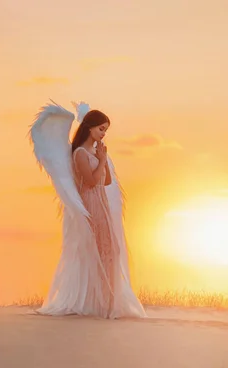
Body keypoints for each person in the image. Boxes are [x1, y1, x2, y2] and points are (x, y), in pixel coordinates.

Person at [29, 101, 146, 319]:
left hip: (102, 203)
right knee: (98, 250)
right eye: (101, 129)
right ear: (89, 127)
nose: (103, 134)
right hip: (91, 204)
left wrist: (103, 159)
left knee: (112, 250)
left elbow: (107, 181)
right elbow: (91, 182)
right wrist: (101, 160)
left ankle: (109, 300)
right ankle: (99, 302)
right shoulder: (80, 154)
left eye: (106, 130)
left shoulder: (94, 153)